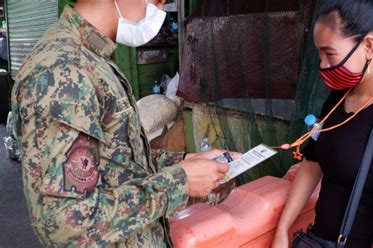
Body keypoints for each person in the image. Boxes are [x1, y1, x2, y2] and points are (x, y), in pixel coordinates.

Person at [11, 0, 237, 247]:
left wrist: (183, 163)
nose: (159, 12)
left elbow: (113, 164)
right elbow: (65, 223)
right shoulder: (63, 70)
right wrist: (179, 182)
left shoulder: (91, 59)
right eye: (158, 1)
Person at [273, 0, 373, 247]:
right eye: (319, 53)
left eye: (330, 53)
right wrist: (283, 230)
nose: (323, 65)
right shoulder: (339, 99)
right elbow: (312, 164)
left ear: (369, 46)